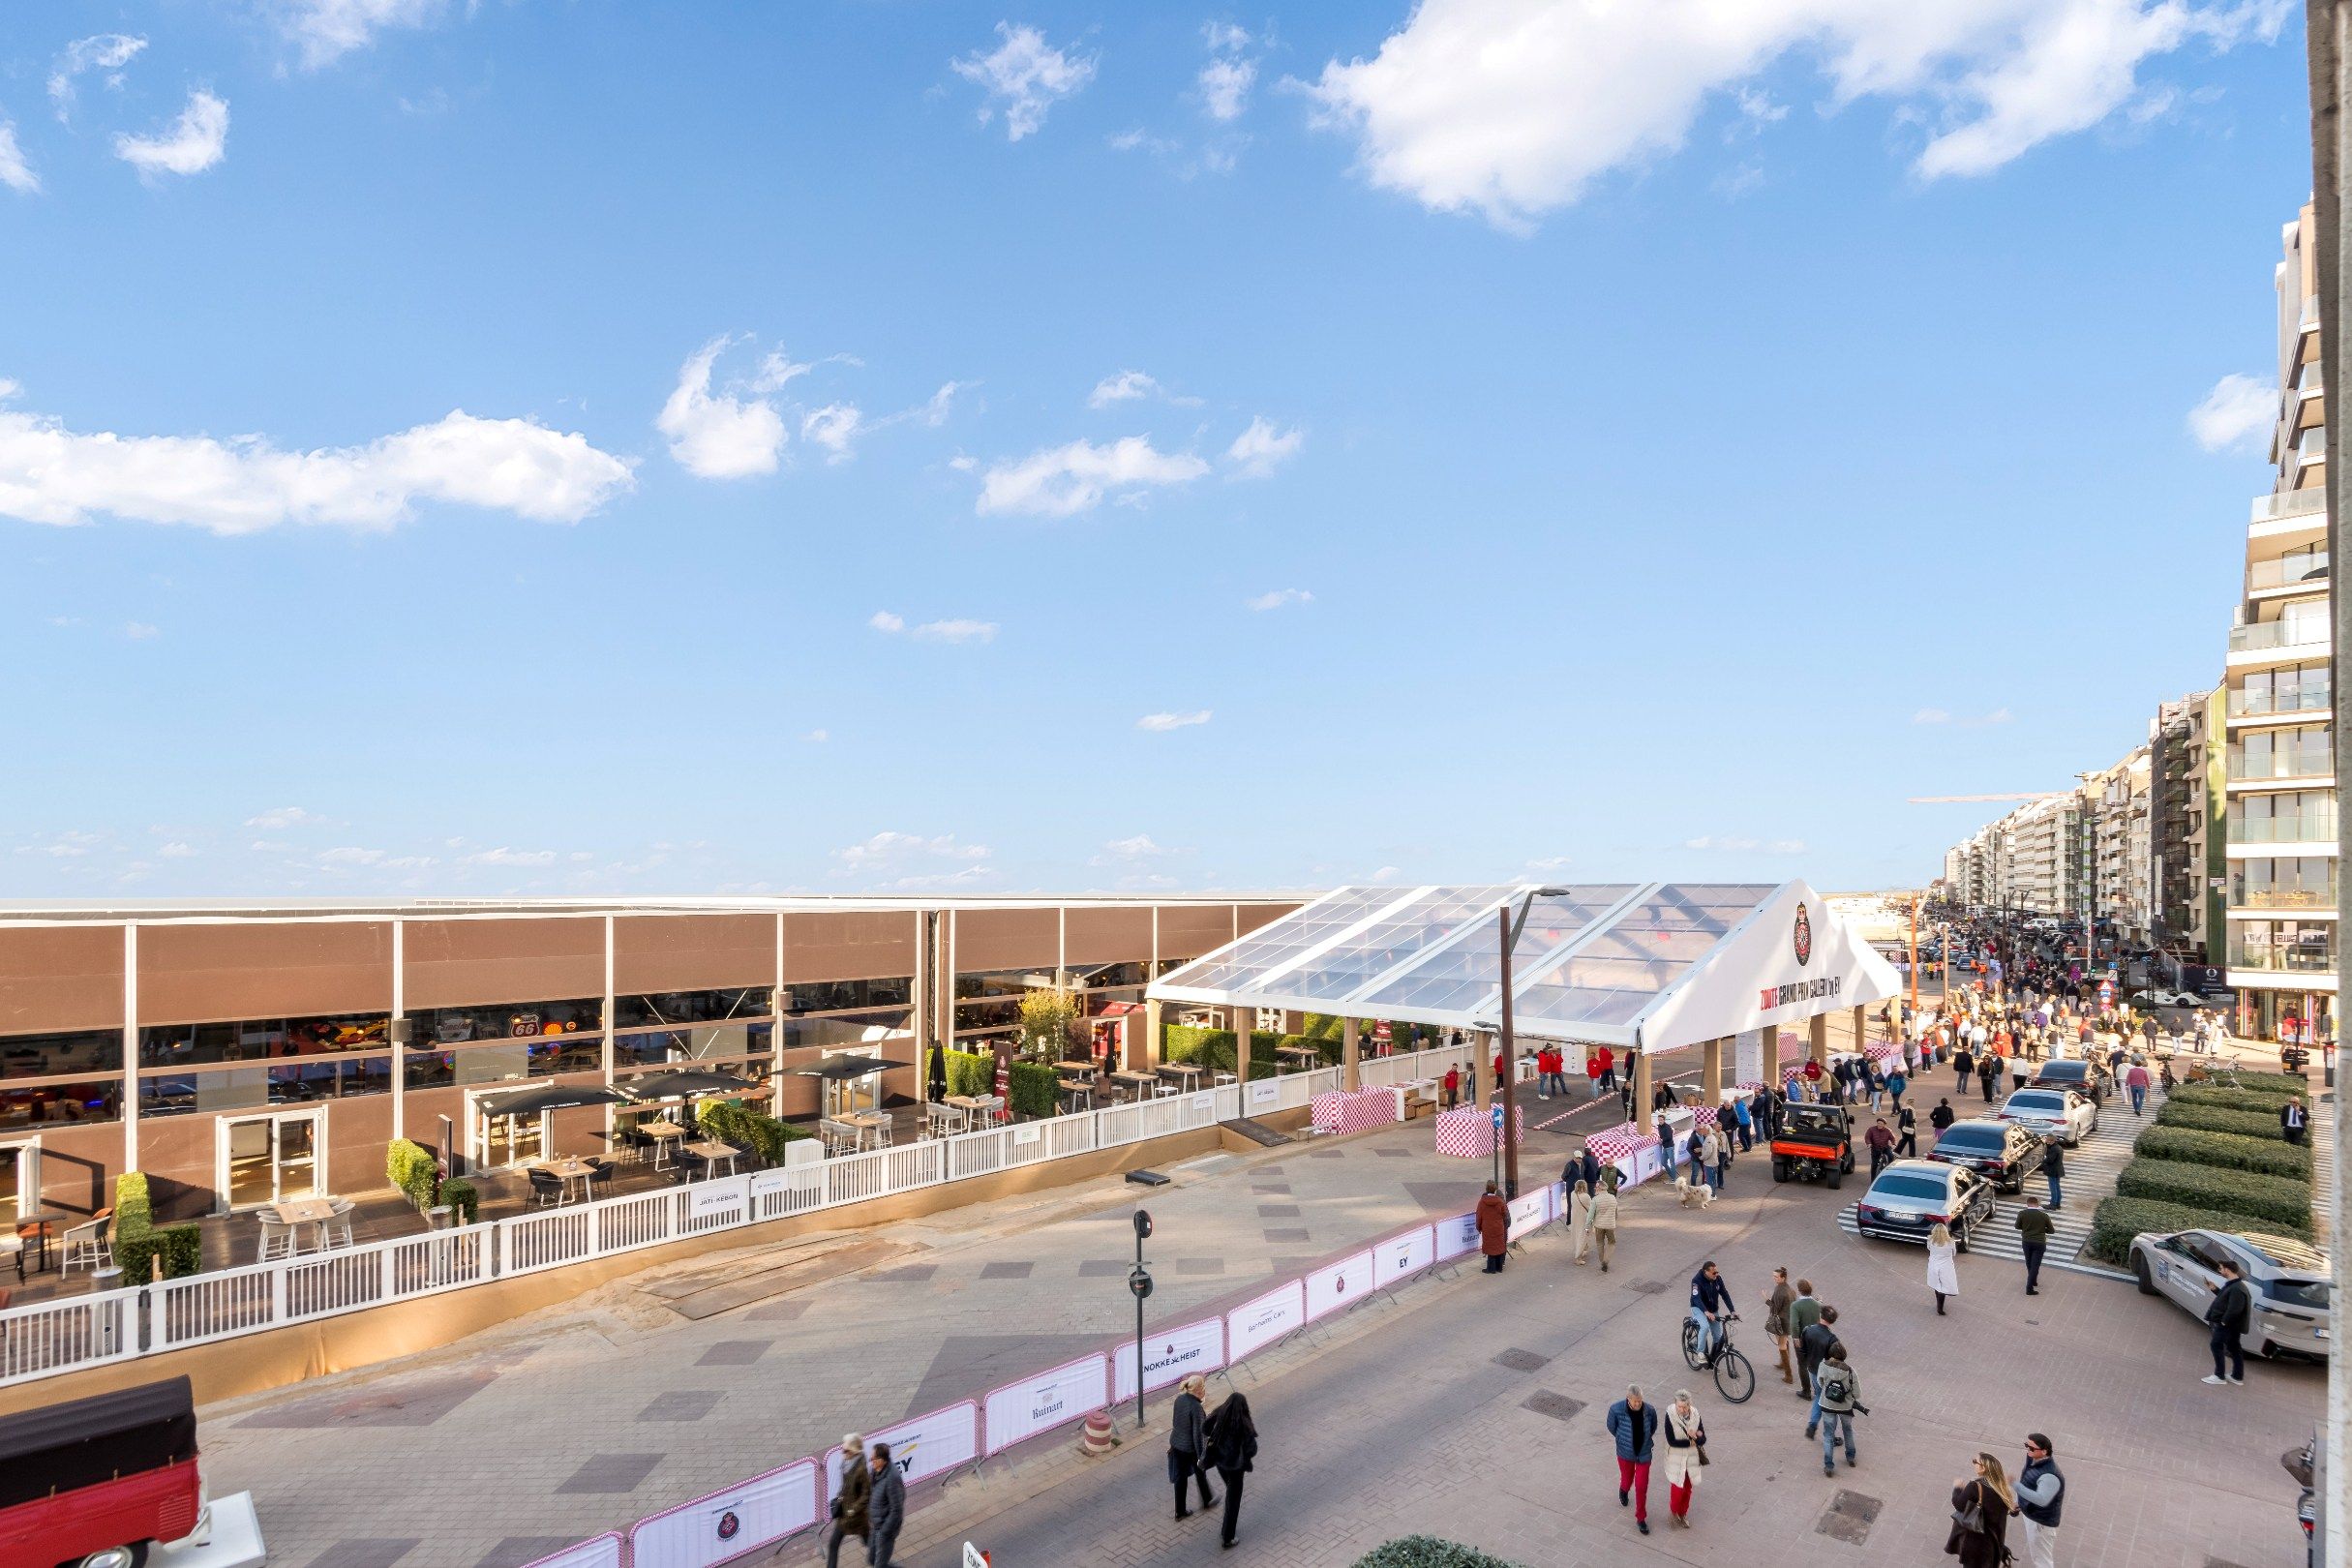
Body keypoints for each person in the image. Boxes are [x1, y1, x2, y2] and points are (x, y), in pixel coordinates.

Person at [1204, 1390, 1256, 1551]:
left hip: (1221, 1463)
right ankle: (1228, 1537)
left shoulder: (1220, 1412)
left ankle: (1227, 1532)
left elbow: (1205, 1427)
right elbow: (1252, 1449)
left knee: (1231, 1491)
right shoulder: (1244, 1424)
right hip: (1236, 1468)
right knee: (1233, 1501)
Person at [1605, 1384, 1659, 1536]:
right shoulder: (1616, 1409)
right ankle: (1623, 1490)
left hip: (1644, 1453)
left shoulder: (1650, 1410)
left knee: (1641, 1486)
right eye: (1635, 1401)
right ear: (1628, 1399)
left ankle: (1641, 1518)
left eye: (1640, 1400)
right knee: (1627, 1479)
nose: (1638, 1403)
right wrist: (1622, 1439)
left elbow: (1653, 1427)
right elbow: (1611, 1427)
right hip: (1625, 1453)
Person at [1949, 1452, 2015, 1568]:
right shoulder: (2002, 1488)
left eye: (1975, 1461)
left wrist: (1957, 1488)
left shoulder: (1975, 1486)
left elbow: (1959, 1505)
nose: (1974, 1463)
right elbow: (2012, 1510)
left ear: (1983, 1468)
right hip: (1995, 1544)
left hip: (1976, 1544)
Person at [1170, 1373, 1218, 1518]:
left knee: (1180, 1478)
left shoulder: (1179, 1399)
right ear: (1198, 1390)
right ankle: (1207, 1500)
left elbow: (1175, 1422)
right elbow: (1199, 1434)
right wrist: (1201, 1455)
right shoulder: (1196, 1408)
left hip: (1176, 1444)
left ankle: (1180, 1511)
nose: (1205, 1391)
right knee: (1200, 1473)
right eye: (1203, 1388)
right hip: (1189, 1449)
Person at [2013, 1432, 2064, 1568]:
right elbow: (2028, 1482)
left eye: (2031, 1448)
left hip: (2040, 1523)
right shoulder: (2033, 1459)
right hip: (2031, 1514)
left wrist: (2016, 1486)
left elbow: (2041, 1500)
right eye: (2026, 1446)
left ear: (2044, 1451)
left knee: (2041, 1560)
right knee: (2037, 1555)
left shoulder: (2050, 1475)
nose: (2028, 1450)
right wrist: (2019, 1502)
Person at [1660, 1390, 1705, 1528]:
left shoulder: (1696, 1414)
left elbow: (1703, 1437)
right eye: (1679, 1406)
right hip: (1676, 1458)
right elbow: (1671, 1441)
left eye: (1685, 1406)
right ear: (1675, 1404)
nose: (1682, 1409)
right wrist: (1690, 1442)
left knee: (1688, 1489)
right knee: (1677, 1488)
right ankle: (1673, 1513)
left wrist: (1697, 1437)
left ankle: (1683, 1513)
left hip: (1691, 1459)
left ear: (1689, 1405)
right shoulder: (1670, 1415)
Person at [2203, 1257, 2252, 1386]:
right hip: (2231, 1325)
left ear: (2227, 1270)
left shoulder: (2237, 1288)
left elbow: (2235, 1309)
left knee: (2216, 1345)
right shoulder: (2234, 1285)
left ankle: (2219, 1376)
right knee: (2235, 1348)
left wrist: (2224, 1322)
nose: (2220, 1271)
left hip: (2227, 1325)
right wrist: (2214, 1289)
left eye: (2221, 1268)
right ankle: (2237, 1376)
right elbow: (2226, 1300)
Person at [825, 1433, 869, 1568]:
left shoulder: (861, 1470)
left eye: (845, 1450)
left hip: (857, 1517)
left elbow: (867, 1494)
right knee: (833, 1544)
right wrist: (840, 1498)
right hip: (845, 1516)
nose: (842, 1453)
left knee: (870, 1544)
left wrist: (852, 1510)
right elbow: (845, 1487)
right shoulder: (846, 1463)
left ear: (854, 1450)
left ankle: (884, 1563)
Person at [1800, 1306, 1843, 1436]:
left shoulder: (1808, 1330)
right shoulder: (1832, 1338)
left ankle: (1812, 1424)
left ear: (1821, 1316)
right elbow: (1836, 1359)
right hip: (1827, 1373)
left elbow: (1803, 1351)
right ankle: (1830, 1435)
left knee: (1819, 1396)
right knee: (1829, 1402)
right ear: (1832, 1321)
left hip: (1813, 1370)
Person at [1815, 1349, 1859, 1473]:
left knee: (1828, 1434)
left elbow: (1820, 1382)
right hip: (1845, 1407)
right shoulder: (1850, 1371)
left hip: (1827, 1404)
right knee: (1848, 1430)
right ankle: (1850, 1457)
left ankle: (1829, 1465)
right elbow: (1857, 1393)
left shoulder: (1823, 1366)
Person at [867, 1443, 905, 1568]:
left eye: (873, 1459)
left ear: (882, 1460)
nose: (871, 1461)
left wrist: (885, 1531)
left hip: (886, 1530)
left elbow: (897, 1509)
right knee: (872, 1559)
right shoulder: (875, 1471)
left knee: (879, 1565)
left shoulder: (892, 1478)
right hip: (876, 1525)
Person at [1688, 1260, 1733, 1363]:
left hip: (1713, 1310)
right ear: (1705, 1272)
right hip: (1698, 1308)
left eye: (1717, 1272)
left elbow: (1724, 1294)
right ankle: (1700, 1353)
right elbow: (1696, 1298)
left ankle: (1713, 1362)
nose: (1716, 1274)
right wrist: (1706, 1312)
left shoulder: (1717, 1279)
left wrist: (1732, 1311)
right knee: (1705, 1326)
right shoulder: (1696, 1280)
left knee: (1718, 1337)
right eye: (1714, 1273)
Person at [1787, 1280, 1822, 1397]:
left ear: (1800, 1290)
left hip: (1802, 1339)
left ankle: (1806, 1391)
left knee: (1802, 1364)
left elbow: (1794, 1324)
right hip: (1817, 1339)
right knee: (1816, 1363)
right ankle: (1819, 1390)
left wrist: (1796, 1337)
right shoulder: (1818, 1305)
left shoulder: (1795, 1306)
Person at [2014, 1193, 2053, 1294]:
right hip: (2039, 1243)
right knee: (2035, 1265)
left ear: (2027, 1204)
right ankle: (2029, 1287)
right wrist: (2042, 1229)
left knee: (2029, 1262)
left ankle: (2033, 1280)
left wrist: (2027, 1228)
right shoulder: (2044, 1216)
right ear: (2037, 1204)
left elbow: (2017, 1226)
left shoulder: (2022, 1213)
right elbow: (2051, 1230)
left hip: (2026, 1242)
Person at [1763, 1266, 1795, 1385]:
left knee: (1781, 1345)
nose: (1774, 1278)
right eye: (1774, 1276)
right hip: (1788, 1321)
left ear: (1783, 1278)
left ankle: (1788, 1375)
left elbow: (1775, 1308)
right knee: (1785, 1342)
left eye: (1776, 1276)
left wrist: (1766, 1299)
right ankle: (1783, 1363)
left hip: (1781, 1322)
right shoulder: (1790, 1289)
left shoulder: (1779, 1291)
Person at [1926, 1221, 1959, 1316]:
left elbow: (1929, 1249)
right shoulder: (1951, 1242)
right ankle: (1940, 1308)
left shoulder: (1930, 1240)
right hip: (1946, 1266)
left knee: (1937, 1284)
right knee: (1944, 1286)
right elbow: (1954, 1253)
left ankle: (1938, 1305)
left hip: (1933, 1265)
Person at [1476, 1181, 1509, 1274]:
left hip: (1487, 1227)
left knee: (1490, 1247)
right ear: (1495, 1189)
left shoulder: (1482, 1202)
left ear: (1486, 1189)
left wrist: (1478, 1227)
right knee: (1498, 1246)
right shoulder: (1500, 1201)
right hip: (1499, 1227)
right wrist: (1504, 1225)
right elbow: (1505, 1214)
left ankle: (1491, 1268)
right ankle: (1499, 1267)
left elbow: (1478, 1216)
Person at [1589, 1180, 1619, 1272]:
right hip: (1610, 1225)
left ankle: (1602, 1261)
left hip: (1599, 1226)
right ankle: (1606, 1260)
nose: (1595, 1188)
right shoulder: (1613, 1198)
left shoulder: (1595, 1199)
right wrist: (1613, 1221)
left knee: (1599, 1243)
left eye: (1596, 1187)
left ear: (1601, 1188)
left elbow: (1590, 1215)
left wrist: (1588, 1226)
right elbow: (1616, 1213)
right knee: (1612, 1242)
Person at [1569, 1180, 1595, 1265]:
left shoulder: (1573, 1193)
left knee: (1578, 1235)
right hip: (1584, 1219)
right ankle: (1578, 1258)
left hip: (1575, 1218)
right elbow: (1591, 1208)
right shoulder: (1586, 1196)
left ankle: (1584, 1249)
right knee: (1583, 1236)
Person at [2042, 1136, 2064, 1212]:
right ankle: (2057, 1203)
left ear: (2051, 1141)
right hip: (2057, 1170)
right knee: (2057, 1187)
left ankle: (2053, 1204)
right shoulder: (2058, 1147)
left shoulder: (2054, 1149)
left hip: (2053, 1171)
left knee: (2053, 1188)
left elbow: (2050, 1160)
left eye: (2047, 1140)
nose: (2046, 1141)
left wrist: (2044, 1158)